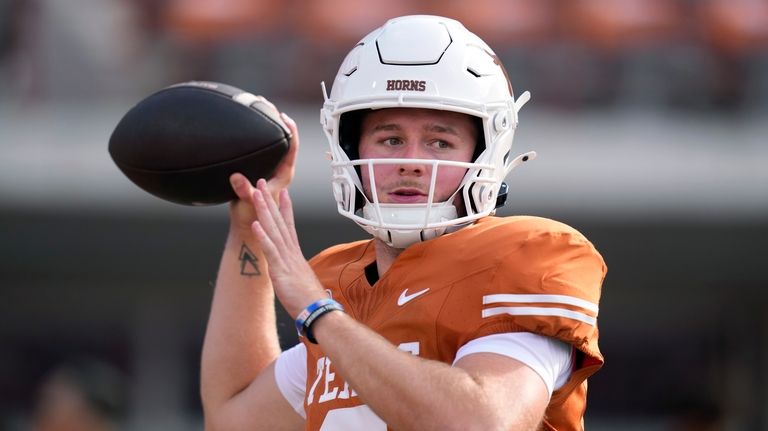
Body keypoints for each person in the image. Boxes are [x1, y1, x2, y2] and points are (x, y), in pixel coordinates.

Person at [200, 15, 606, 431]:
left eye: (440, 142)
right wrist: (250, 224)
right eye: (390, 139)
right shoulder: (338, 284)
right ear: (347, 148)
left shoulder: (529, 256)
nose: (410, 162)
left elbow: (480, 423)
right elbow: (232, 418)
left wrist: (320, 314)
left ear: (485, 153)